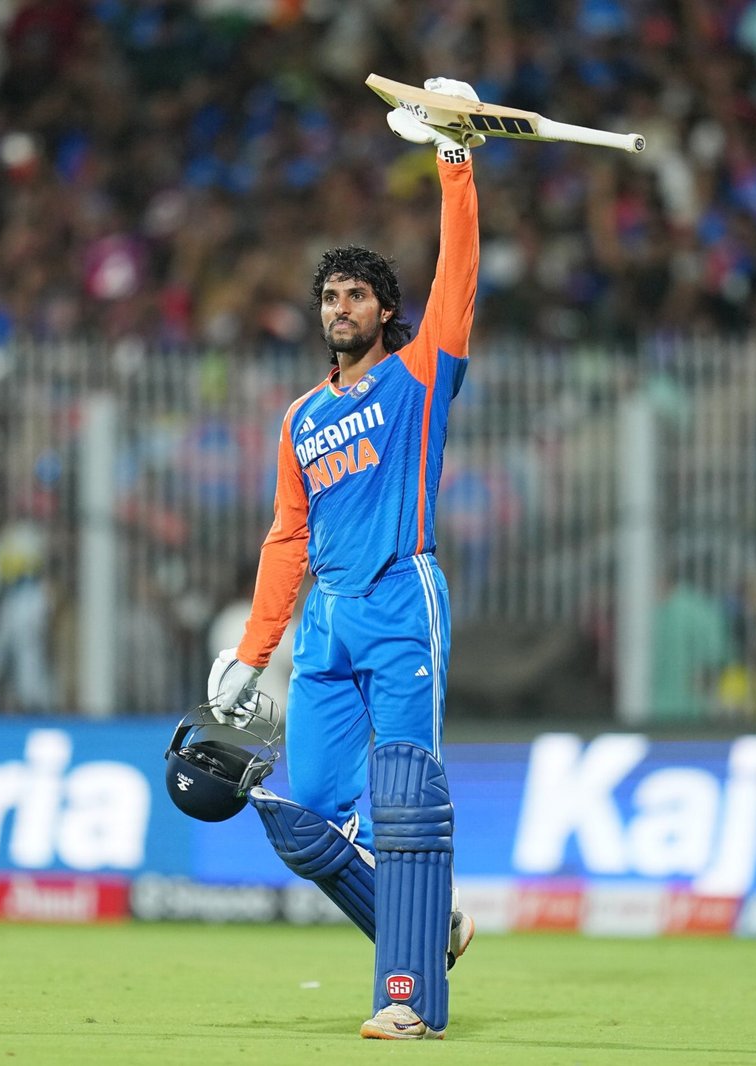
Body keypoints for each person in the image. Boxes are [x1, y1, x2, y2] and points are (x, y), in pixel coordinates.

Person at [203, 77, 483, 1042]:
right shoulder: (300, 418)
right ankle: (429, 929)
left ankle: (406, 999)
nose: (339, 306)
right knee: (307, 818)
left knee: (405, 798)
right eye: (329, 295)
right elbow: (287, 538)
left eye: (356, 294)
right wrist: (253, 655)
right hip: (325, 623)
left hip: (403, 599)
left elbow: (460, 278)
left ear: (386, 310)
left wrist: (454, 158)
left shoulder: (419, 375)